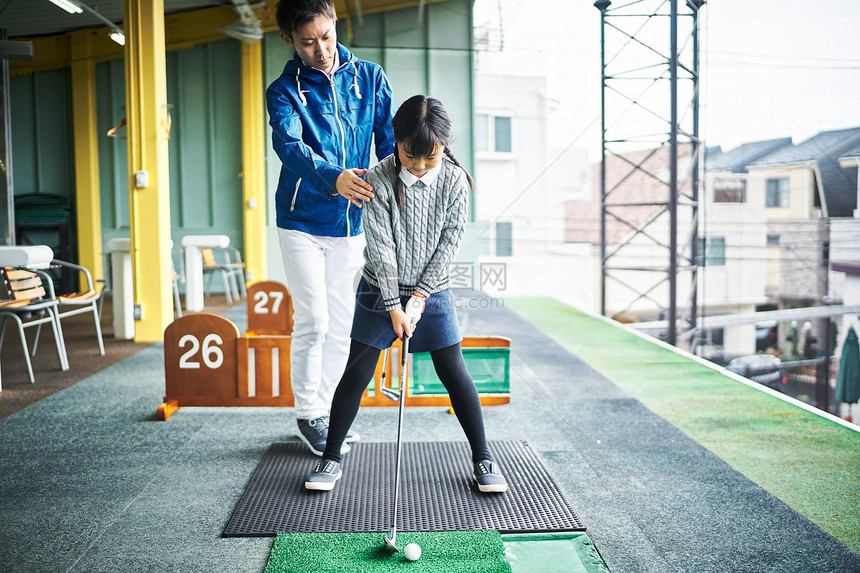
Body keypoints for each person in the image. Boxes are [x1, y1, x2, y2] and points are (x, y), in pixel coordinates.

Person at [304, 95, 508, 494]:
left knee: (454, 372)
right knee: (357, 372)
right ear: (395, 141)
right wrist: (395, 307)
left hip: (433, 292)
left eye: (429, 158)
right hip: (380, 289)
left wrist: (418, 301)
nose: (418, 166)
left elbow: (449, 246)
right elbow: (380, 249)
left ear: (444, 147)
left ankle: (483, 457)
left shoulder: (454, 181)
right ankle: (331, 458)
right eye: (410, 156)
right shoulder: (377, 179)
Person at [266, 0, 396, 455]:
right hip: (301, 220)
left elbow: (386, 142)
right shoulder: (282, 91)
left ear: (336, 24)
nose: (321, 50)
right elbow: (289, 146)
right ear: (289, 41)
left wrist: (390, 188)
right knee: (314, 319)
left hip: (353, 223)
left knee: (342, 325)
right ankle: (308, 414)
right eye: (307, 42)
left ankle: (330, 411)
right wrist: (334, 178)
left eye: (326, 36)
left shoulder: (371, 79)